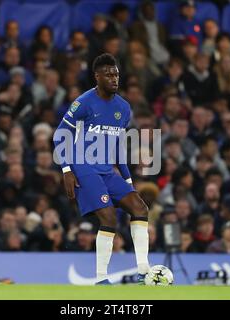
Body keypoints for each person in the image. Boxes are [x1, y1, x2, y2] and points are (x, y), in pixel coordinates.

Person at [53, 53, 150, 284]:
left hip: (107, 171)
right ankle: (100, 278)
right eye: (108, 75)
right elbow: (60, 135)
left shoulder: (124, 108)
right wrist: (66, 169)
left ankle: (144, 271)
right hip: (83, 167)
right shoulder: (83, 102)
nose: (114, 78)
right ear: (97, 77)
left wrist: (127, 181)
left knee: (140, 207)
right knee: (108, 217)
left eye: (116, 74)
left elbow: (117, 147)